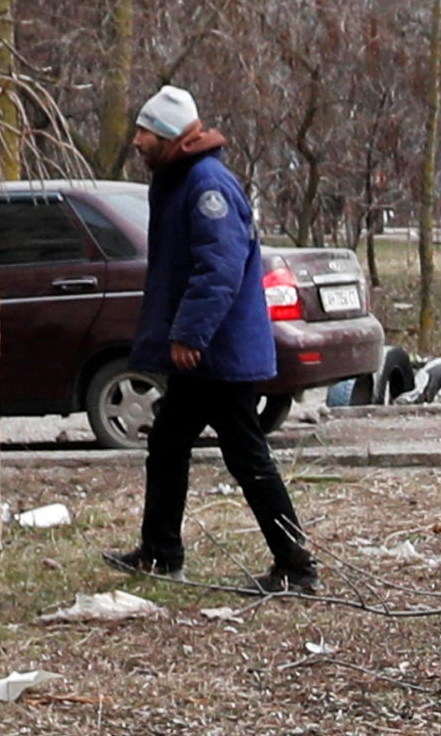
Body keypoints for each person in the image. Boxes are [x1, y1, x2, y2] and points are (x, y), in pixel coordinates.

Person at [108, 84, 315, 592]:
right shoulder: (181, 180)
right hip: (207, 353)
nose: (136, 141)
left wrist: (190, 334)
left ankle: (295, 567)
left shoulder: (207, 187)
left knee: (244, 456)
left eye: (145, 132)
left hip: (217, 353)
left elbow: (218, 270)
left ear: (169, 137)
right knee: (169, 443)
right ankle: (160, 552)